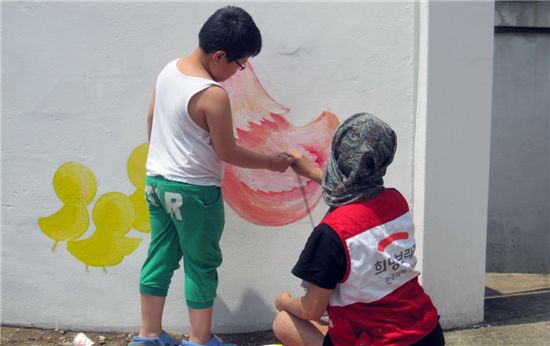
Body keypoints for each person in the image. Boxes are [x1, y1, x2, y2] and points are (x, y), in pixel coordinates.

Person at [130, 6, 293, 346]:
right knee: (201, 265)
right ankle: (200, 340)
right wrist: (270, 162)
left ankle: (148, 336)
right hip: (195, 192)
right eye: (240, 63)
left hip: (157, 183)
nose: (239, 70)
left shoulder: (167, 71)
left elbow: (151, 119)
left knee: (159, 256)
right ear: (221, 55)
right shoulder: (212, 95)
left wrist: (165, 161)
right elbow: (227, 152)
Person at [273, 113, 445, 346]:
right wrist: (312, 171)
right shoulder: (396, 202)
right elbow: (358, 194)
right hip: (428, 334)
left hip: (379, 341)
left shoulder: (332, 233)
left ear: (339, 153)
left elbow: (312, 309)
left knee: (284, 321)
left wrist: (284, 301)